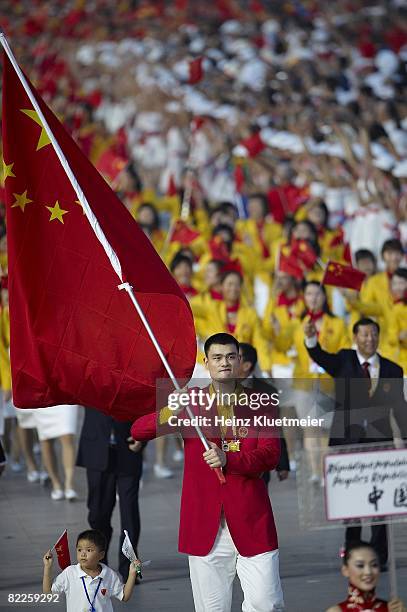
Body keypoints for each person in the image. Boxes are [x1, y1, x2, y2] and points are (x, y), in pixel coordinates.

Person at [131, 332, 284, 612]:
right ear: (206, 362)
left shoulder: (262, 402)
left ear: (239, 361)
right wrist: (169, 411)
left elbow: (271, 455)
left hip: (252, 519)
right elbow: (138, 430)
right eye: (217, 357)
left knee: (267, 604)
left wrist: (229, 460)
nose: (224, 362)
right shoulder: (190, 402)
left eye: (230, 356)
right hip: (204, 524)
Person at [304, 317, 407, 568]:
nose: (369, 339)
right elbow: (319, 355)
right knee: (350, 503)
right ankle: (353, 554)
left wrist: (403, 439)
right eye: (364, 335)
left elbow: (400, 408)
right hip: (346, 443)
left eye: (373, 334)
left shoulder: (393, 369)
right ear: (355, 337)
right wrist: (310, 337)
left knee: (380, 502)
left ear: (379, 337)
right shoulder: (344, 360)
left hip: (377, 443)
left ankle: (380, 557)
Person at [76, 409, 144, 580]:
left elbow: (147, 405)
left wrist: (143, 437)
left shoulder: (133, 381)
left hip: (128, 449)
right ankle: (100, 562)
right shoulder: (88, 382)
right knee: (98, 514)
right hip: (97, 449)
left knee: (129, 513)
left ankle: (129, 566)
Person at [42, 529, 140, 611]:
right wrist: (47, 568)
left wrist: (132, 574)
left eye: (89, 550)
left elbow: (124, 596)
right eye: (79, 550)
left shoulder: (109, 574)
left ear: (101, 555)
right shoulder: (69, 573)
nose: (83, 554)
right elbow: (48, 593)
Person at [238, 342, 290, 482]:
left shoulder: (267, 391)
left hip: (257, 465)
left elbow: (275, 429)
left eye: (234, 357)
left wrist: (282, 464)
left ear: (246, 366)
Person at [325, 541, 406, 612]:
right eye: (360, 565)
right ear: (345, 570)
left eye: (374, 565)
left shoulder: (393, 609)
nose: (368, 572)